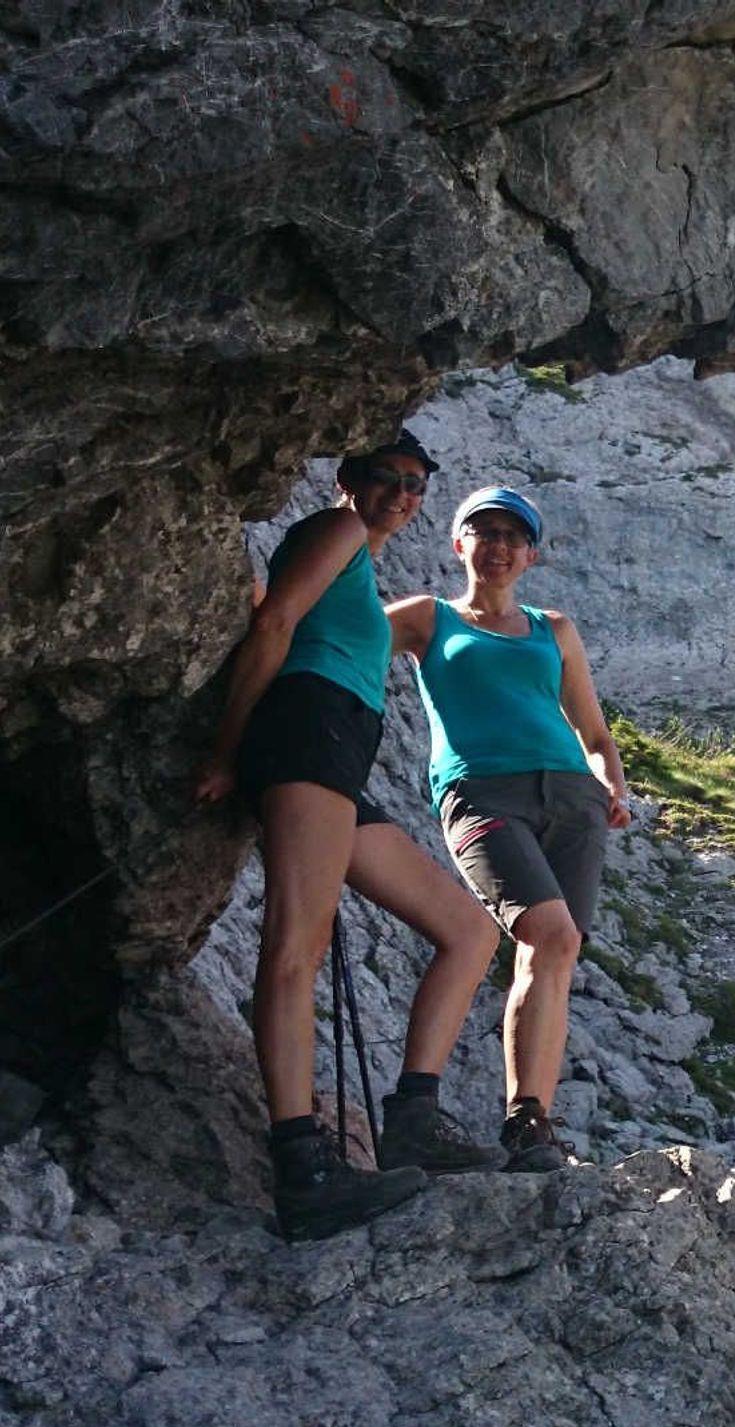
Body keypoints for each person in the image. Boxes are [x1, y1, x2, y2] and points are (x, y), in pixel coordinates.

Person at [195, 431, 506, 1243]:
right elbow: (274, 625)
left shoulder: (359, 565)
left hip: (335, 753)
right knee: (295, 947)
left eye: (416, 484)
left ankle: (413, 1119)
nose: (403, 495)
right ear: (348, 479)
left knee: (468, 929)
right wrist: (227, 752)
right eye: (387, 478)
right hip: (305, 734)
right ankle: (303, 1169)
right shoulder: (336, 528)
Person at [387, 486, 631, 1173]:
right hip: (481, 792)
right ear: (458, 544)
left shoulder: (554, 628)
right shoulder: (428, 618)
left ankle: (530, 1123)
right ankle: (463, 1116)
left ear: (531, 555)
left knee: (555, 949)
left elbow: (593, 732)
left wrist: (612, 786)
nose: (497, 546)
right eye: (483, 532)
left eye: (512, 537)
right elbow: (347, 634)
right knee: (548, 932)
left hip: (572, 799)